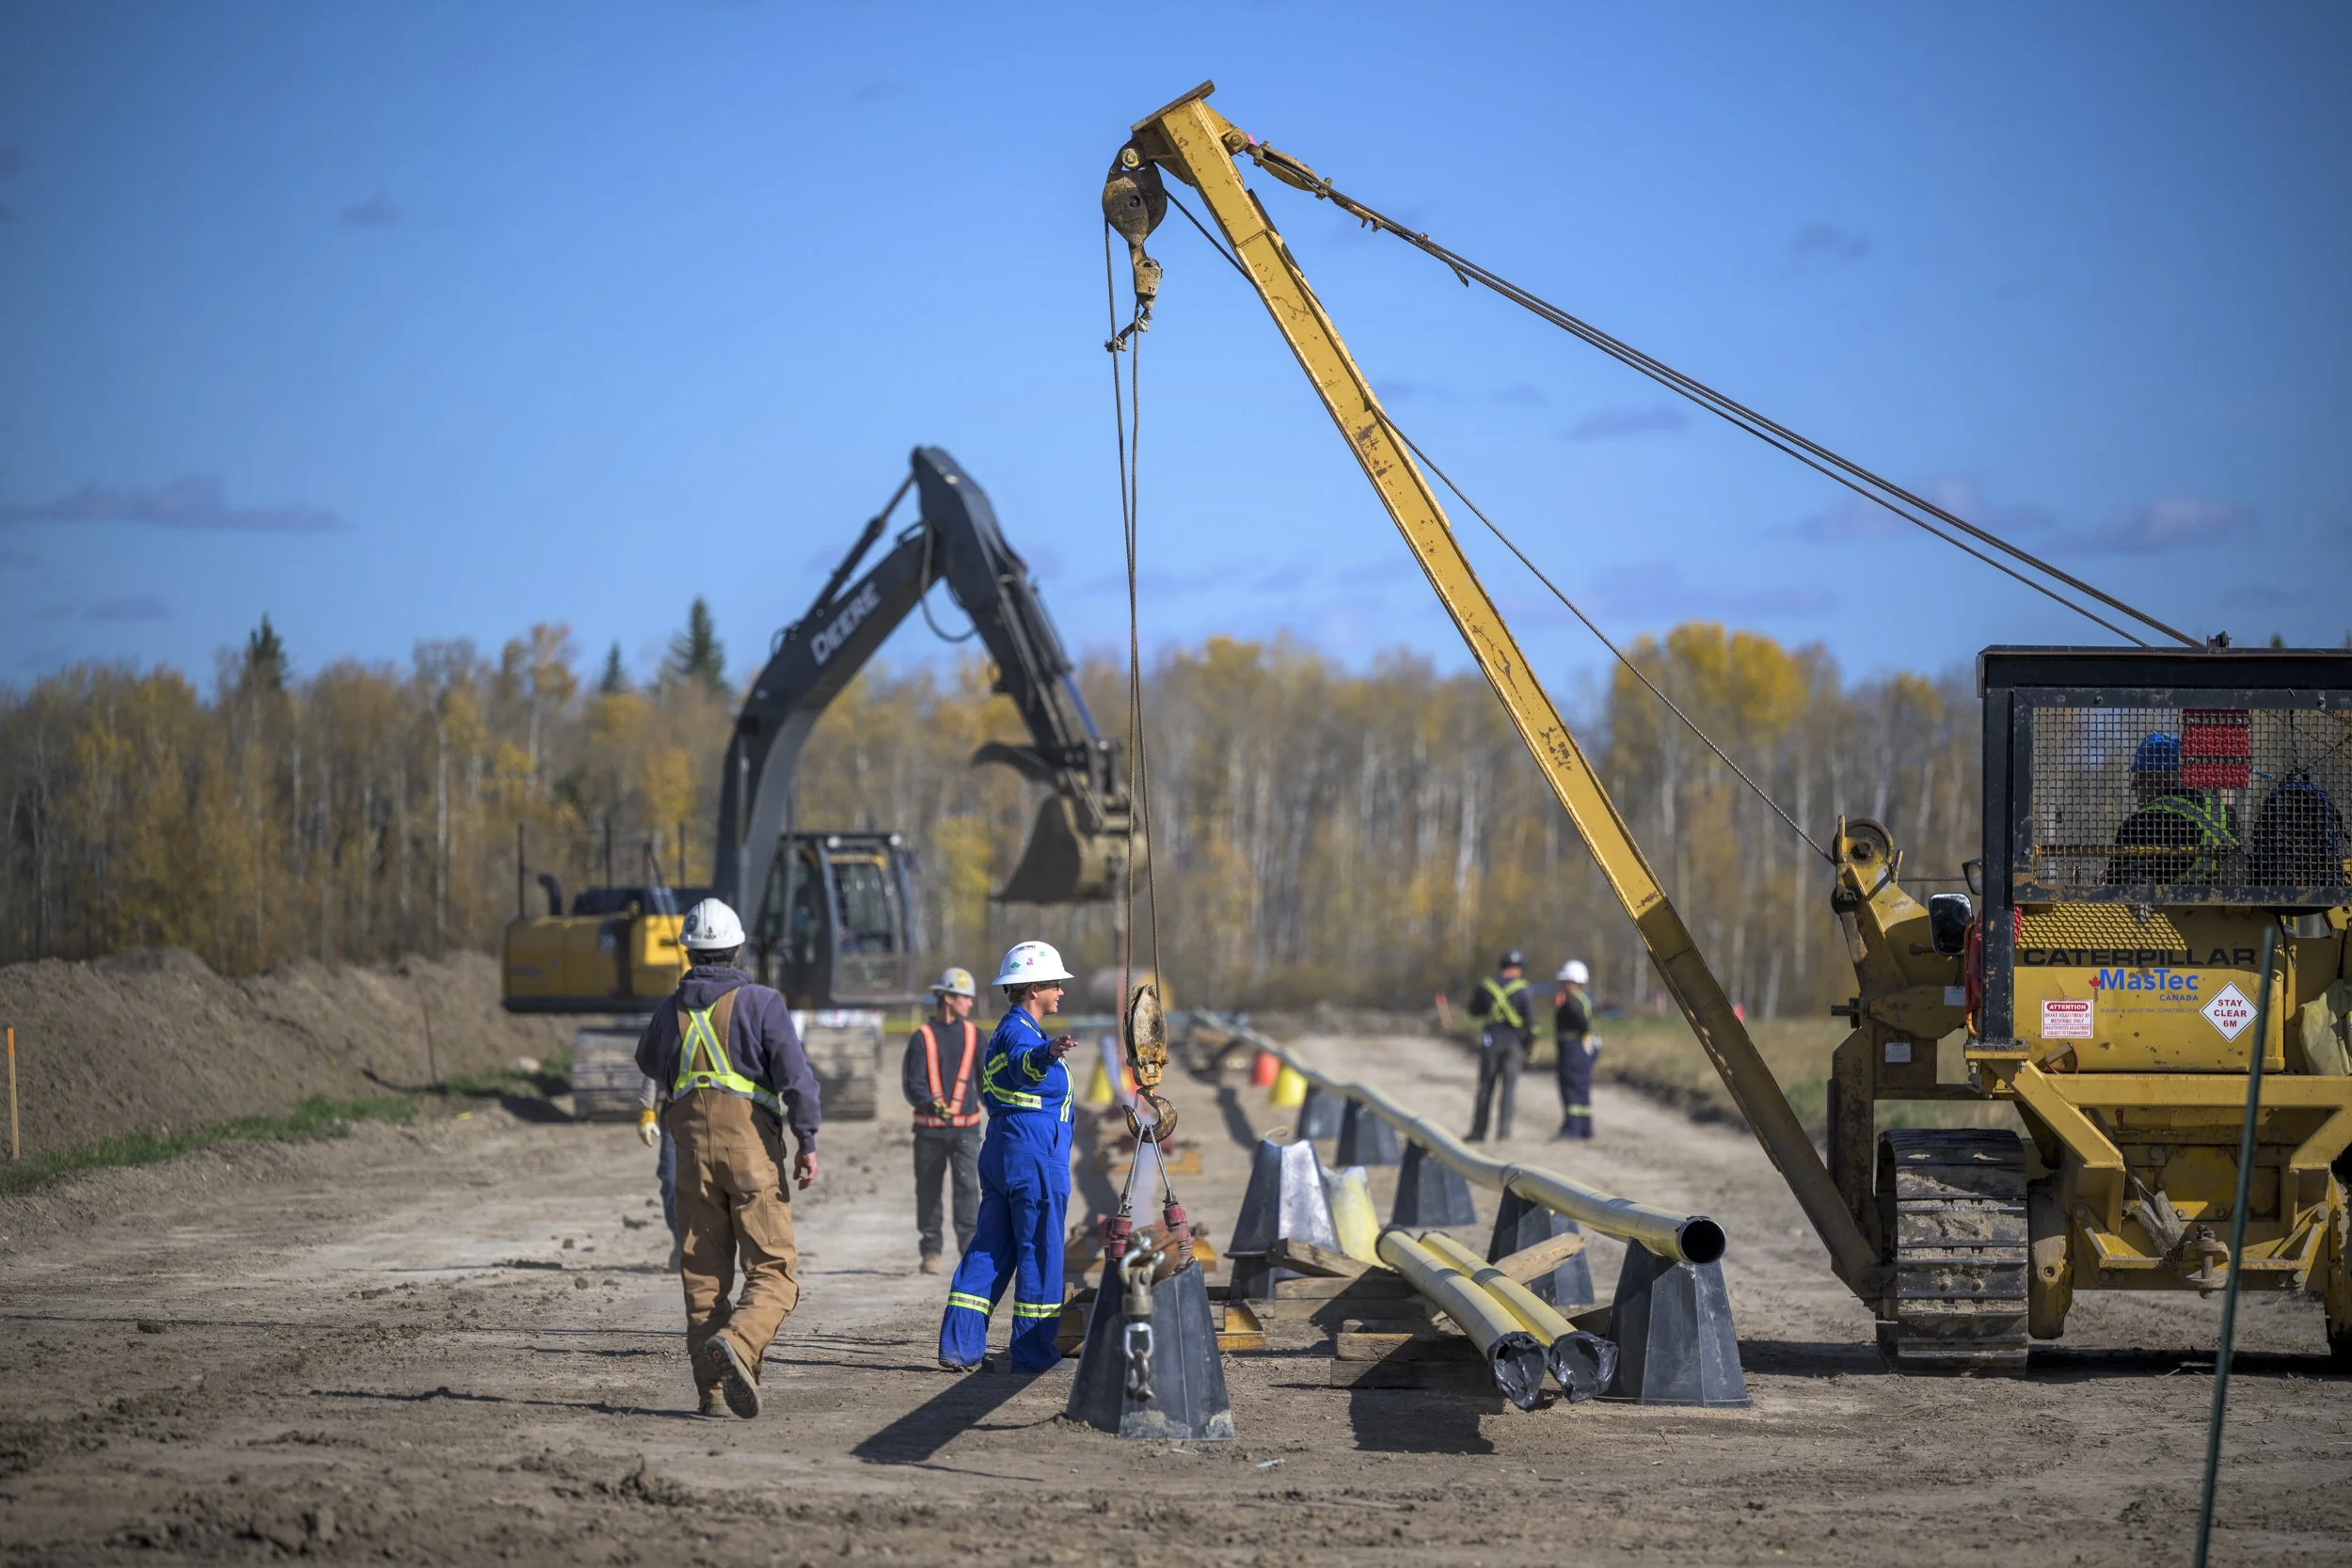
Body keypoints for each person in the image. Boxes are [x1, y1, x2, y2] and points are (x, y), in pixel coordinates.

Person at [633, 897, 821, 1420]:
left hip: (691, 1155)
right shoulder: (761, 1002)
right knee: (774, 1271)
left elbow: (648, 1060)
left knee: (704, 1277)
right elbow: (796, 1079)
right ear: (738, 950)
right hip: (750, 1155)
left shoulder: (669, 1009)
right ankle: (739, 1343)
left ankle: (714, 1393)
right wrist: (807, 1140)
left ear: (689, 952)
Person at [937, 940, 1080, 1373]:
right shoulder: (1022, 1033)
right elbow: (1023, 1065)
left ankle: (960, 1346)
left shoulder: (1010, 1027)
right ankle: (1034, 1351)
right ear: (1033, 987)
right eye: (1055, 984)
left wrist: (1044, 1049)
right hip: (1032, 1153)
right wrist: (1047, 1053)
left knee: (992, 1248)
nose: (1061, 991)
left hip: (1004, 1148)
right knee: (1039, 1247)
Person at [901, 965, 984, 1275]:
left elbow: (985, 1081)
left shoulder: (975, 1036)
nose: (970, 1003)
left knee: (967, 1190)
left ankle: (970, 1253)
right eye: (965, 997)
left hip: (966, 1131)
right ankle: (931, 1251)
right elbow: (913, 1083)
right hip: (930, 1132)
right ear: (948, 998)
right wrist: (930, 1105)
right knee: (929, 1191)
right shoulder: (922, 1038)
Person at [2106, 732, 2240, 886]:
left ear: (2162, 781)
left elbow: (2124, 888)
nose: (2134, 787)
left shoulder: (2139, 824)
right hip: (2221, 904)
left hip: (2165, 908)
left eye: (2140, 778)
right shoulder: (2226, 814)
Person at [1466, 949, 1536, 1142]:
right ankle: (1504, 1132)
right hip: (1514, 1044)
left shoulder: (1486, 986)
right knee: (1509, 1089)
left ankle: (1479, 1131)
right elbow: (1530, 1021)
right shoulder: (1523, 989)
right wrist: (1529, 1045)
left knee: (1486, 1087)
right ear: (1519, 968)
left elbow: (1474, 1011)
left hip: (1491, 1042)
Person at [1552, 959, 1598, 1140]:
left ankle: (1572, 1128)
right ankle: (1585, 1128)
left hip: (1572, 1050)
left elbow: (1582, 1021)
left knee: (1571, 1087)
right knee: (1581, 1086)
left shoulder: (1572, 1000)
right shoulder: (1585, 998)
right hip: (1581, 1049)